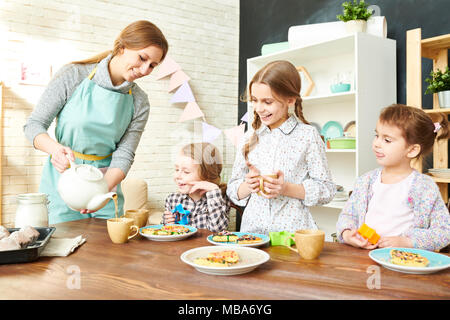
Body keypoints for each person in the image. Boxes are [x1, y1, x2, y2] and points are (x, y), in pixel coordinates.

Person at [23, 20, 169, 224]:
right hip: (64, 183)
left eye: (152, 65)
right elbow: (34, 125)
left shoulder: (140, 101)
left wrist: (100, 193)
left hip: (106, 186)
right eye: (142, 58)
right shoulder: (73, 75)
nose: (145, 70)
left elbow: (125, 153)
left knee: (109, 253)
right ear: (122, 47)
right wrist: (55, 149)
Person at [226, 60, 336, 235]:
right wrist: (248, 185)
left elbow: (327, 190)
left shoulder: (308, 135)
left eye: (267, 102)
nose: (259, 108)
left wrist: (285, 188)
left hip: (293, 237)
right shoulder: (249, 136)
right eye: (254, 100)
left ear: (290, 100)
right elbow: (232, 191)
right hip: (252, 235)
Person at [336, 104, 450, 251]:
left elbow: (444, 232)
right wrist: (347, 234)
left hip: (403, 262)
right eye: (377, 135)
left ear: (412, 150)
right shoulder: (366, 181)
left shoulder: (424, 187)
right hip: (365, 258)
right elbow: (347, 215)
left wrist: (407, 242)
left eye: (387, 140)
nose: (377, 143)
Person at [162, 142, 230, 232]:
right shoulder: (173, 199)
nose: (177, 176)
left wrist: (214, 191)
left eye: (186, 172)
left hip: (207, 246)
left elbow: (217, 230)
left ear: (207, 175)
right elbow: (167, 232)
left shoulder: (219, 198)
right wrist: (167, 223)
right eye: (177, 169)